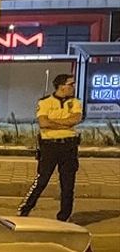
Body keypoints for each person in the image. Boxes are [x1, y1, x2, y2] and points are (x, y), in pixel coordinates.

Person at [18, 74, 82, 221]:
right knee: (42, 180)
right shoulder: (45, 102)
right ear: (61, 86)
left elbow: (75, 119)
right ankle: (24, 209)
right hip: (49, 147)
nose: (73, 87)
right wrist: (65, 123)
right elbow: (43, 123)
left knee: (68, 184)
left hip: (69, 146)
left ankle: (64, 217)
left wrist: (54, 121)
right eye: (71, 84)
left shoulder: (76, 102)